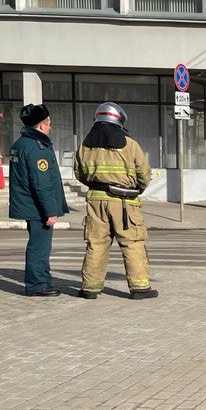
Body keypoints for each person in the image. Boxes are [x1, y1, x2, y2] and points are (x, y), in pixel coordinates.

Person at [74, 101, 157, 300]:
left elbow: (79, 173)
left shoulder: (85, 145)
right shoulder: (130, 145)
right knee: (132, 243)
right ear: (119, 120)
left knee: (96, 243)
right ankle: (140, 288)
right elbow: (144, 174)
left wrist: (96, 184)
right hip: (124, 202)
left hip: (96, 201)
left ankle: (90, 289)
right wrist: (137, 189)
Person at [7, 103, 68, 297]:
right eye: (49, 123)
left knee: (37, 244)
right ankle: (37, 284)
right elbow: (41, 183)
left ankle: (42, 280)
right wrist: (50, 211)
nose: (50, 127)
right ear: (41, 125)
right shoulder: (37, 147)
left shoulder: (20, 143)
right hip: (37, 207)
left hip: (28, 203)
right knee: (39, 247)